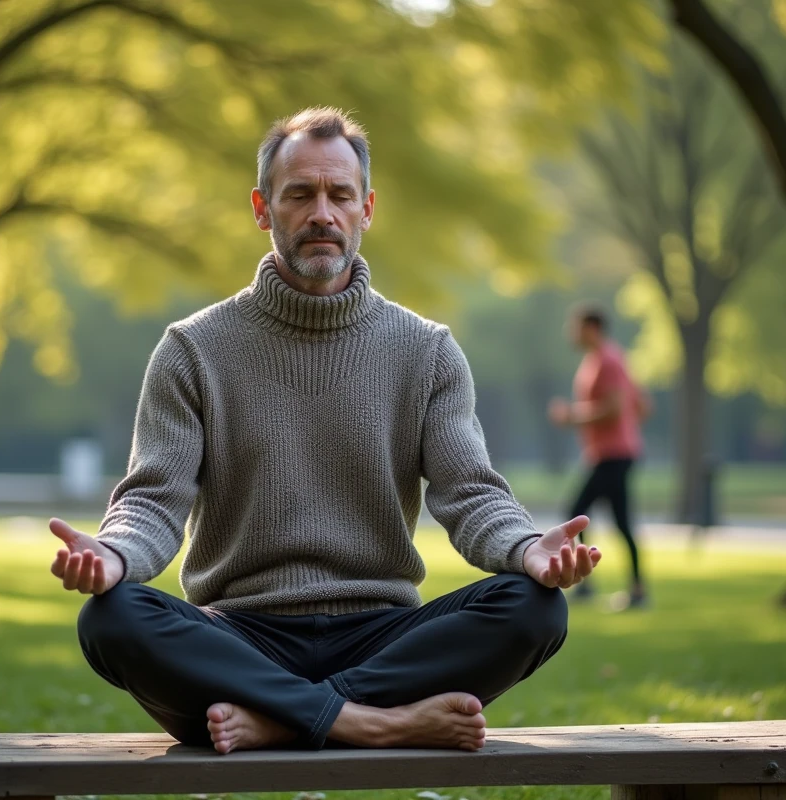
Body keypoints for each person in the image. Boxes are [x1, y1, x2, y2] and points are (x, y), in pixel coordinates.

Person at [48, 107, 601, 755]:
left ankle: (286, 721)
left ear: (367, 209)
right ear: (262, 208)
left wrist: (527, 549)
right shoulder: (192, 350)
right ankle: (372, 723)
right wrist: (113, 555)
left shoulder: (425, 351)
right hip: (240, 639)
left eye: (341, 195)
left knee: (535, 608)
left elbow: (470, 493)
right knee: (111, 618)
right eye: (300, 194)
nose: (322, 213)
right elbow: (152, 501)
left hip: (382, 636)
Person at [548, 303, 650, 609]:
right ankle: (635, 590)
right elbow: (642, 405)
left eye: (576, 326)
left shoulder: (608, 360)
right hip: (611, 453)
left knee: (576, 512)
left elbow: (617, 408)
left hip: (613, 455)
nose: (571, 332)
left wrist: (572, 417)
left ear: (592, 328)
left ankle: (591, 584)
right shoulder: (603, 360)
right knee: (618, 521)